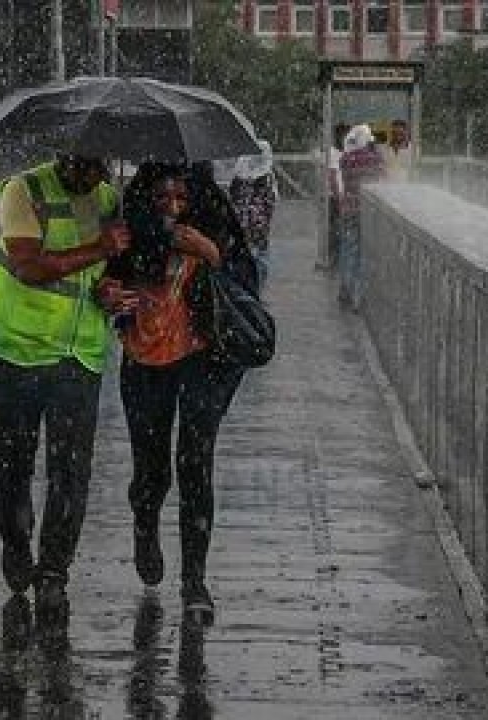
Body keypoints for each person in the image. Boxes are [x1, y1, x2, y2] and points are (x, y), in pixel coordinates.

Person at [0, 153, 137, 619]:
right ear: (67, 159)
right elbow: (28, 266)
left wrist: (109, 289)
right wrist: (100, 249)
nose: (93, 178)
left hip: (79, 352)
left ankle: (53, 572)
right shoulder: (23, 191)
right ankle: (16, 541)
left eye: (100, 170)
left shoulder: (107, 198)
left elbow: (105, 276)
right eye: (86, 168)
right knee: (10, 465)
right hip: (19, 347)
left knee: (71, 471)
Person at [104, 162, 253, 625]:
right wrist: (110, 295)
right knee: (152, 470)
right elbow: (105, 277)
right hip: (145, 363)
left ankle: (195, 582)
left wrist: (210, 252)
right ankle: (145, 523)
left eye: (181, 199)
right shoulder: (130, 233)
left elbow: (246, 284)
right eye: (162, 199)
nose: (172, 208)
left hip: (202, 361)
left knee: (195, 466)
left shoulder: (214, 223)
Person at [337, 124, 386, 308]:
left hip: (349, 210)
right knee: (365, 252)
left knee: (349, 250)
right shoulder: (374, 158)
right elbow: (383, 179)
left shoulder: (346, 159)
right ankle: (359, 297)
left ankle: (345, 288)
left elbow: (345, 178)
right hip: (367, 212)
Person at [229, 140, 280, 285]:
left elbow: (233, 197)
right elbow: (271, 200)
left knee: (245, 254)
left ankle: (247, 284)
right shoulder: (267, 178)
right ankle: (256, 285)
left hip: (241, 224)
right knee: (260, 255)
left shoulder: (239, 177)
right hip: (259, 226)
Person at [327, 122, 352, 267]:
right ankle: (334, 258)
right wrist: (339, 197)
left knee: (344, 229)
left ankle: (341, 258)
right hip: (336, 197)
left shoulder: (349, 152)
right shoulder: (333, 152)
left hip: (347, 196)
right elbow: (332, 176)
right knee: (336, 229)